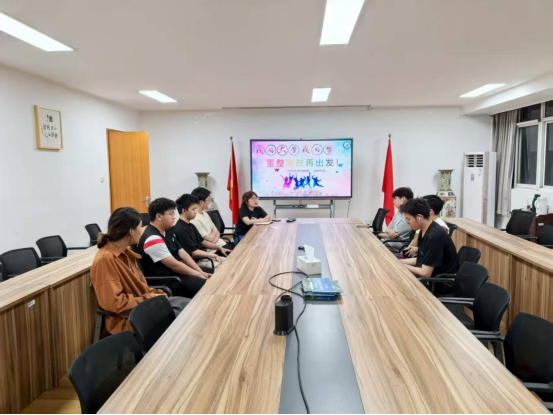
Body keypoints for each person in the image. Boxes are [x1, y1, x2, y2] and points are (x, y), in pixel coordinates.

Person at [91, 207, 190, 335]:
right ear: (131, 231)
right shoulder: (105, 259)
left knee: (189, 307)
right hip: (130, 318)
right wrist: (149, 298)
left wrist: (153, 296)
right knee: (186, 318)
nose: (142, 231)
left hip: (143, 307)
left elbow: (141, 288)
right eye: (140, 226)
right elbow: (114, 303)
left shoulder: (126, 253)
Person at [138, 198, 210, 299]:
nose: (174, 217)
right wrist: (198, 274)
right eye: (171, 214)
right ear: (159, 216)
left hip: (176, 273)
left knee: (212, 275)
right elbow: (174, 265)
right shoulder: (152, 239)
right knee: (208, 285)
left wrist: (200, 271)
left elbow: (183, 253)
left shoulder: (168, 230)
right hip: (169, 280)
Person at [400, 198, 458, 280]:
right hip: (432, 277)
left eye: (408, 219)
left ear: (419, 217)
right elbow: (421, 259)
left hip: (440, 282)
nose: (407, 222)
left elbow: (425, 273)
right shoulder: (425, 229)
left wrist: (402, 265)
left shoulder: (433, 237)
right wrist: (398, 261)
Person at [173, 194, 228, 270]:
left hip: (204, 258)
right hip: (197, 262)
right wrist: (214, 255)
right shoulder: (180, 229)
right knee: (225, 267)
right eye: (193, 209)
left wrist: (220, 248)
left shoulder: (191, 225)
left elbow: (203, 242)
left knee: (229, 261)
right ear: (184, 211)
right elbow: (193, 252)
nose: (196, 212)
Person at [378, 187, 414, 253]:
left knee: (374, 244)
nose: (393, 201)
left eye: (395, 198)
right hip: (390, 241)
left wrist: (378, 235)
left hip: (398, 244)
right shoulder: (399, 212)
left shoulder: (408, 215)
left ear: (403, 199)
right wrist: (389, 230)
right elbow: (388, 228)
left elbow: (393, 236)